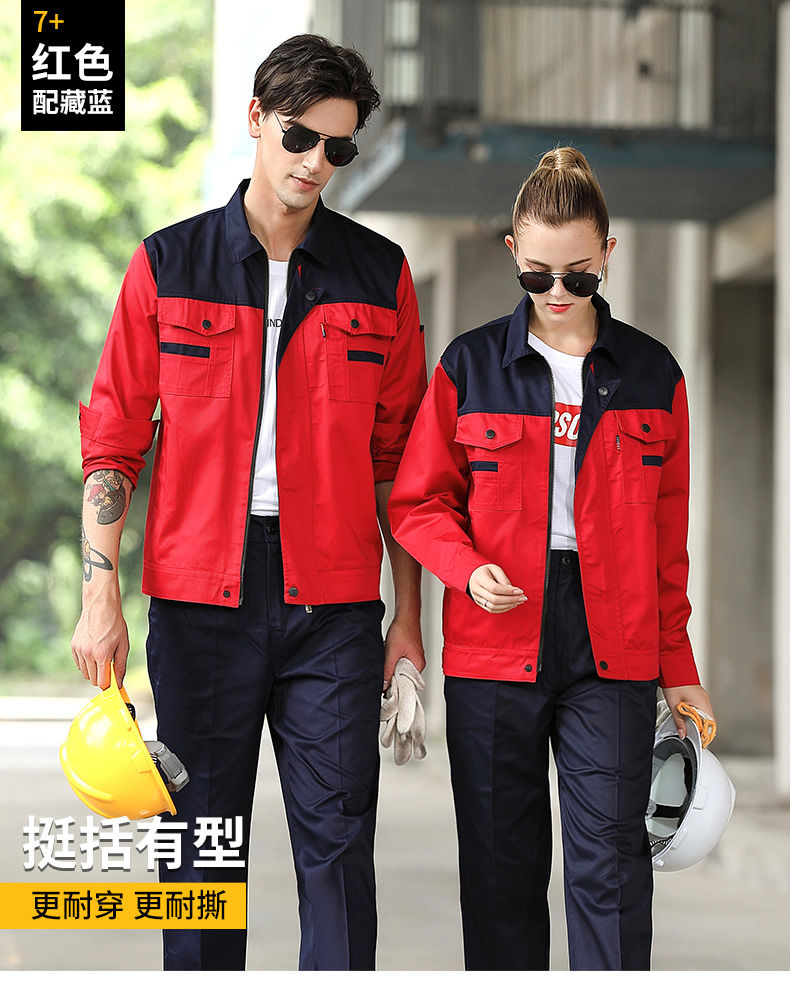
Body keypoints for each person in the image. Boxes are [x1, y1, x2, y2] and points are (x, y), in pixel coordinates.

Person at [70, 34, 427, 972]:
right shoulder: (168, 265)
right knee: (198, 856)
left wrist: (407, 620)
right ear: (258, 119)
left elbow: (400, 465)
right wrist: (100, 595)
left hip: (334, 608)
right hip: (199, 606)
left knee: (340, 855)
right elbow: (113, 442)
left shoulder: (380, 276)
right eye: (300, 137)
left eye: (338, 148)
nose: (315, 164)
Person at [388, 147, 714, 971]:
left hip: (615, 647)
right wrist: (467, 568)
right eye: (537, 274)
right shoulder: (468, 368)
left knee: (612, 869)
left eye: (578, 274)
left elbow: (666, 539)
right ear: (512, 253)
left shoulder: (654, 375)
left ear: (609, 253)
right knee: (501, 874)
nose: (558, 292)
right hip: (495, 639)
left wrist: (679, 667)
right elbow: (418, 503)